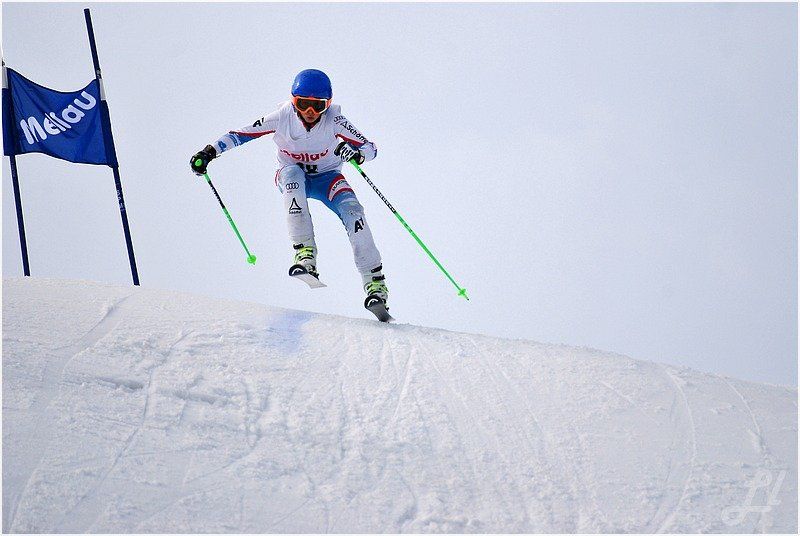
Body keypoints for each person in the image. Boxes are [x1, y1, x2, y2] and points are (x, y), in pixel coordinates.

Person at [190, 69, 389, 311]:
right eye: (303, 104)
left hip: (328, 178)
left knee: (354, 212)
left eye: (318, 106)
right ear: (293, 101)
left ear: (328, 104)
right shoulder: (281, 117)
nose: (310, 112)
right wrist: (209, 152)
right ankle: (304, 253)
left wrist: (357, 154)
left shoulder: (335, 121)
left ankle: (375, 284)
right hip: (291, 176)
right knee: (293, 173)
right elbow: (240, 134)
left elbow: (370, 148)